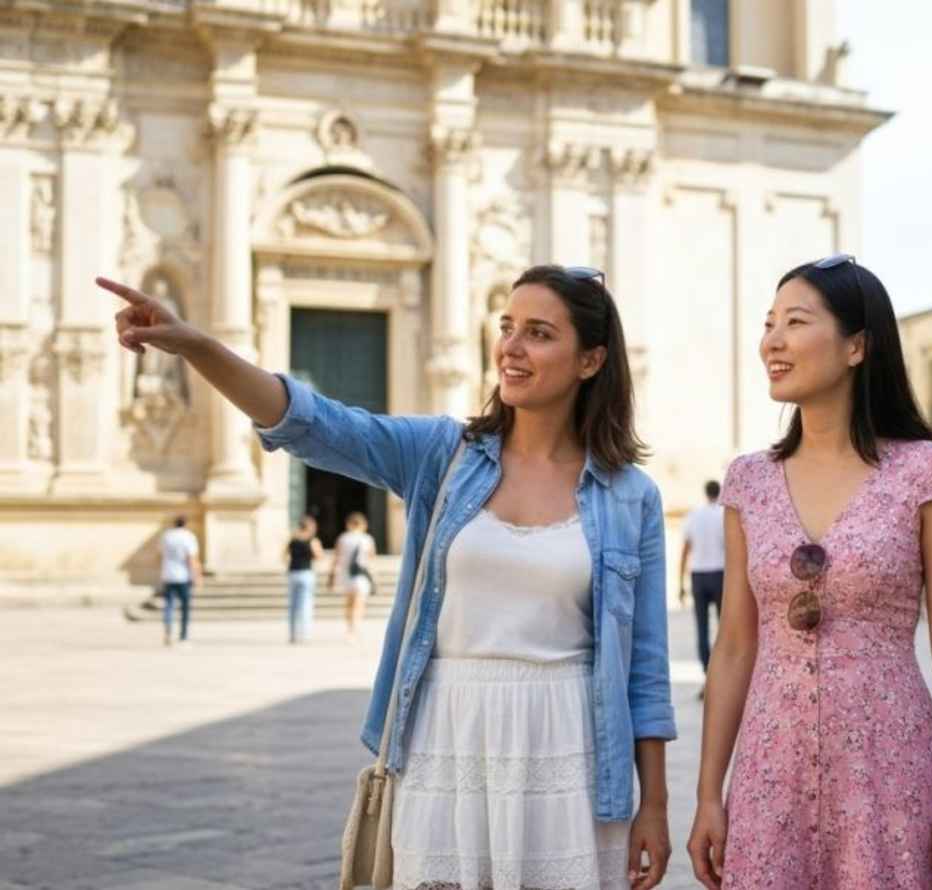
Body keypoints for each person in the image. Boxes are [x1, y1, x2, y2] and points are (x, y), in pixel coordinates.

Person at [102, 264, 676, 890]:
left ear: (591, 360)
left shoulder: (629, 496)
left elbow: (644, 671)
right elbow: (312, 423)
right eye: (507, 326)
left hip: (571, 748)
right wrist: (196, 346)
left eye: (539, 334)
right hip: (446, 732)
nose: (510, 347)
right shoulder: (442, 455)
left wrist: (653, 805)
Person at [687, 255, 932, 890]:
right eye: (770, 324)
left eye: (796, 322)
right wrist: (709, 792)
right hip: (771, 771)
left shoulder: (926, 472)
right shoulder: (749, 480)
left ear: (856, 346)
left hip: (892, 767)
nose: (773, 340)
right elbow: (736, 644)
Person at [680, 479, 726, 687]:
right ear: (720, 492)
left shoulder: (694, 516)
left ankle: (707, 674)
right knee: (724, 627)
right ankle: (721, 674)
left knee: (701, 627)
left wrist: (680, 583)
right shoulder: (723, 515)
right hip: (719, 573)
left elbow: (685, 550)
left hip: (698, 575)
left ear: (705, 492)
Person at [329, 511, 376, 643]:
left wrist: (332, 577)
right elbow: (371, 559)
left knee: (349, 603)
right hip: (361, 576)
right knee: (359, 604)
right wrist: (373, 578)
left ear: (348, 524)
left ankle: (350, 628)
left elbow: (336, 559)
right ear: (362, 524)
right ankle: (355, 630)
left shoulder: (343, 538)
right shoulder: (367, 539)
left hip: (346, 575)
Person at [158, 515, 201, 647]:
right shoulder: (188, 536)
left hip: (168, 574)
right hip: (183, 576)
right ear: (185, 524)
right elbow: (191, 558)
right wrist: (197, 575)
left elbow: (160, 554)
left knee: (169, 605)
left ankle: (168, 632)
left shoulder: (167, 536)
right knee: (185, 608)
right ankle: (183, 636)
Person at [286, 514, 324, 644]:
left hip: (293, 572)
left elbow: (284, 555)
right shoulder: (312, 540)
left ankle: (293, 635)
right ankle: (305, 634)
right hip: (306, 573)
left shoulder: (293, 539)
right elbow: (319, 556)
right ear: (309, 526)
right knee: (305, 605)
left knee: (293, 606)